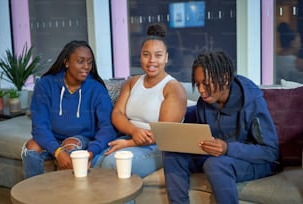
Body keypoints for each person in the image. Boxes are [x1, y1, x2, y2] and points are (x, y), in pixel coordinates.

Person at [163, 51, 280, 204]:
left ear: (224, 78)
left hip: (256, 161)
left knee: (215, 164)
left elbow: (270, 151)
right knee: (172, 154)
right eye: (197, 84)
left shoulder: (252, 102)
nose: (201, 90)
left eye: (205, 83)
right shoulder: (204, 102)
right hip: (218, 155)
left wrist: (227, 149)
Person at [94, 23, 187, 178]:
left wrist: (129, 143)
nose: (151, 61)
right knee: (93, 162)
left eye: (158, 55)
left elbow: (164, 133)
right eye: (146, 54)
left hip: (158, 147)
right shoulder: (132, 82)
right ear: (140, 56)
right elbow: (117, 113)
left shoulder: (173, 88)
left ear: (166, 58)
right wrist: (133, 132)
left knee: (114, 164)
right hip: (129, 137)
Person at [21, 40, 117, 178]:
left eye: (89, 62)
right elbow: (39, 126)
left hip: (81, 139)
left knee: (71, 147)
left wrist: (92, 151)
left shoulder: (96, 89)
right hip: (52, 136)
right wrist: (57, 151)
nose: (86, 67)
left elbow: (108, 127)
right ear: (66, 62)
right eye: (80, 61)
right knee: (31, 148)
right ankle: (33, 195)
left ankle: (69, 196)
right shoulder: (46, 84)